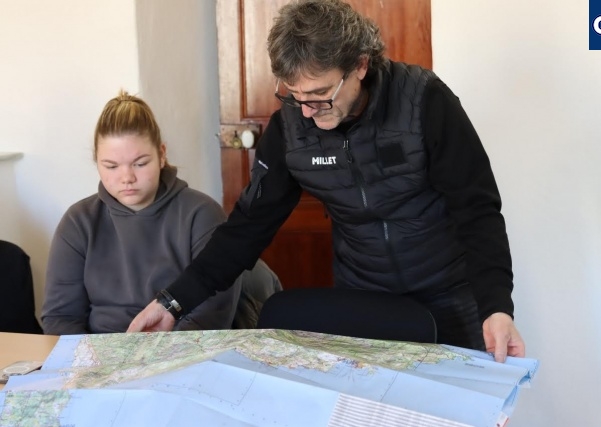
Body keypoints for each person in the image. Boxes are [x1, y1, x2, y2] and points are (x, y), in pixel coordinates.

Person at [128, 0, 525, 362]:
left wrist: (496, 307)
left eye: (320, 94)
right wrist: (173, 302)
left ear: (360, 66)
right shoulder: (290, 129)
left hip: (450, 292)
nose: (306, 111)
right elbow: (247, 228)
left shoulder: (425, 102)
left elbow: (477, 210)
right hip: (365, 298)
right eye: (295, 95)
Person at [41, 90, 280, 335]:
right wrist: (87, 357)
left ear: (162, 155)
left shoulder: (201, 214)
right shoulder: (78, 222)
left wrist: (160, 354)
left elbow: (211, 314)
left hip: (182, 349)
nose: (127, 177)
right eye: (111, 166)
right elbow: (61, 317)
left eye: (140, 163)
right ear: (97, 162)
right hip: (98, 352)